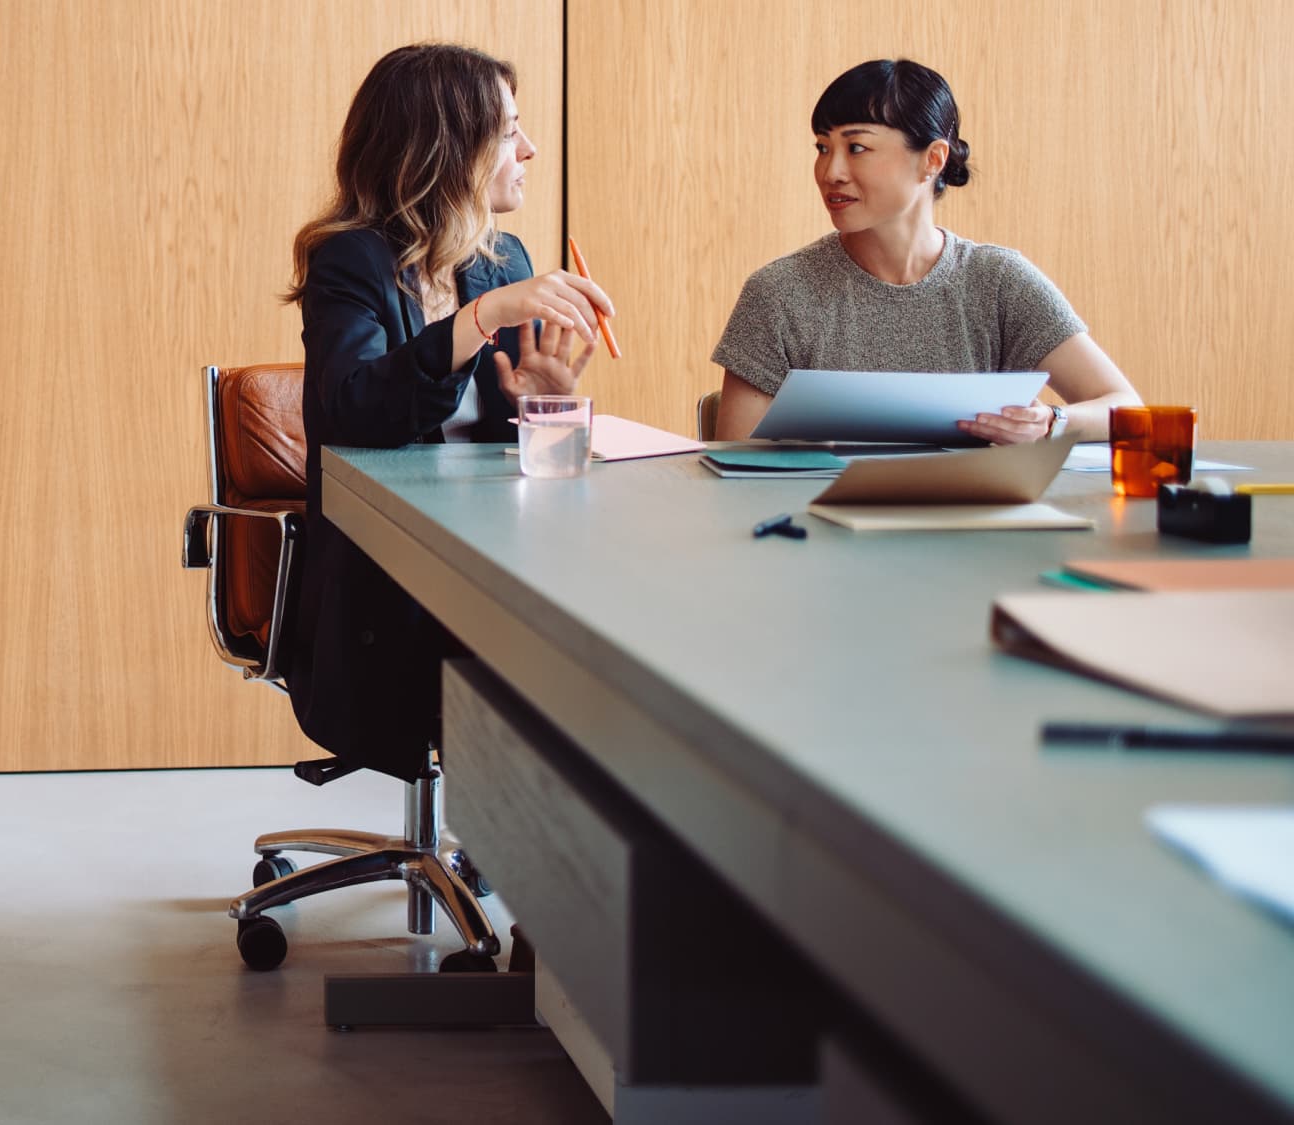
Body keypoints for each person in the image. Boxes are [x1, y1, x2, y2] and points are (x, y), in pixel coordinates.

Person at [281, 43, 613, 781]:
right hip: (387, 575)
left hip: (491, 554)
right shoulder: (351, 261)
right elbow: (354, 410)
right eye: (509, 132)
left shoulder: (503, 259)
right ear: (447, 149)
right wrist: (479, 319)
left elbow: (505, 451)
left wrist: (541, 405)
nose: (529, 150)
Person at [712, 58, 1140, 443]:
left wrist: (1050, 422)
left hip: (975, 507)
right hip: (820, 508)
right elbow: (735, 460)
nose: (831, 171)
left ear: (932, 160)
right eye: (823, 148)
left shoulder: (999, 281)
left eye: (856, 148)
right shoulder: (778, 292)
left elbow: (1126, 408)